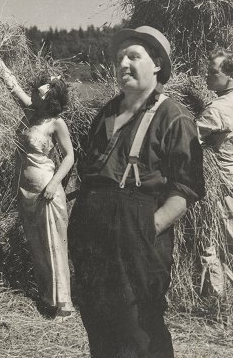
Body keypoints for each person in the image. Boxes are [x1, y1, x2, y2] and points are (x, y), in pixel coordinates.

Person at [69, 26, 204, 358]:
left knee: (138, 329)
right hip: (94, 230)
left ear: (156, 64)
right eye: (119, 59)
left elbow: (185, 189)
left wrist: (149, 228)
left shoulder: (174, 117)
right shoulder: (107, 112)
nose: (123, 64)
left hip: (138, 236)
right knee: (98, 320)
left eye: (133, 56)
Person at [0, 62, 75, 320]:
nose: (32, 94)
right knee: (37, 245)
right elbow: (13, 87)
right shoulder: (31, 112)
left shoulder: (56, 123)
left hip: (47, 192)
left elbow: (69, 156)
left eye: (37, 92)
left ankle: (64, 305)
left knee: (54, 244)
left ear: (50, 99)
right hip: (25, 190)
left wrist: (54, 184)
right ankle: (48, 298)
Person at [196, 49, 233, 295]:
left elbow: (188, 137)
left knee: (212, 238)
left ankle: (217, 296)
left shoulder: (216, 110)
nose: (206, 77)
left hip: (222, 184)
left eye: (213, 72)